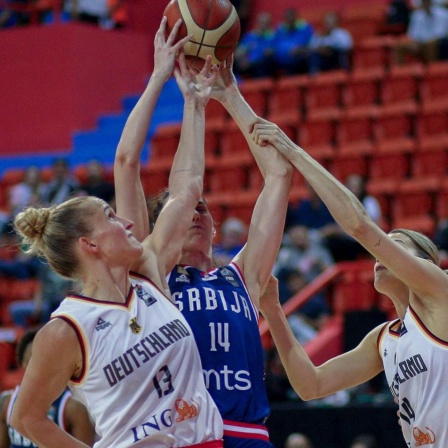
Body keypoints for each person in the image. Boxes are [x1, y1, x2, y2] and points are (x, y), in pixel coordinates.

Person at [9, 18, 224, 448]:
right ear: (88, 245)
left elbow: (184, 189)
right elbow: (25, 417)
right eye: (110, 217)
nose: (127, 222)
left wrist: (190, 101)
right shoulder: (66, 329)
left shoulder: (148, 273)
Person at [115, 56, 293, 445]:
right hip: (182, 432)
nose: (196, 213)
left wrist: (229, 95)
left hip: (248, 434)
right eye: (184, 209)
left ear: (215, 228)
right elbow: (127, 166)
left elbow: (279, 176)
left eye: (203, 208)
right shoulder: (150, 272)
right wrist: (186, 98)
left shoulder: (243, 276)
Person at [252, 118, 448, 447]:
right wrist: (272, 309)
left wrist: (294, 152)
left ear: (423, 264)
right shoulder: (383, 339)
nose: (381, 252)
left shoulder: (441, 291)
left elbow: (359, 226)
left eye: (395, 244)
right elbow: (310, 385)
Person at [0, 328, 95, 448]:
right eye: (33, 362)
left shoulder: (73, 408)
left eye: (44, 361)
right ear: (22, 364)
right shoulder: (6, 404)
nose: (39, 368)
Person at [394, 0, 448, 64]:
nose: (426, 3)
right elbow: (412, 34)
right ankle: (400, 71)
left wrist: (427, 42)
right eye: (424, 2)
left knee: (430, 44)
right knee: (400, 46)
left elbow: (442, 34)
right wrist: (416, 42)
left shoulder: (443, 13)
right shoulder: (416, 15)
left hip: (438, 43)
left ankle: (431, 69)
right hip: (420, 43)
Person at [234, 11, 276, 78]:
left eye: (266, 23)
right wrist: (242, 59)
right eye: (262, 23)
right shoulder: (250, 36)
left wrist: (250, 62)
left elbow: (269, 53)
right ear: (257, 23)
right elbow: (239, 51)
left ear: (270, 24)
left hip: (260, 64)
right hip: (246, 63)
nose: (264, 25)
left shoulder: (273, 37)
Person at [273, 8, 314, 75]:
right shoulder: (280, 29)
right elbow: (276, 44)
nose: (289, 19)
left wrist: (299, 49)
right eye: (287, 17)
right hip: (282, 59)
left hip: (300, 57)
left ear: (296, 17)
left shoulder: (305, 27)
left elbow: (311, 43)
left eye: (291, 16)